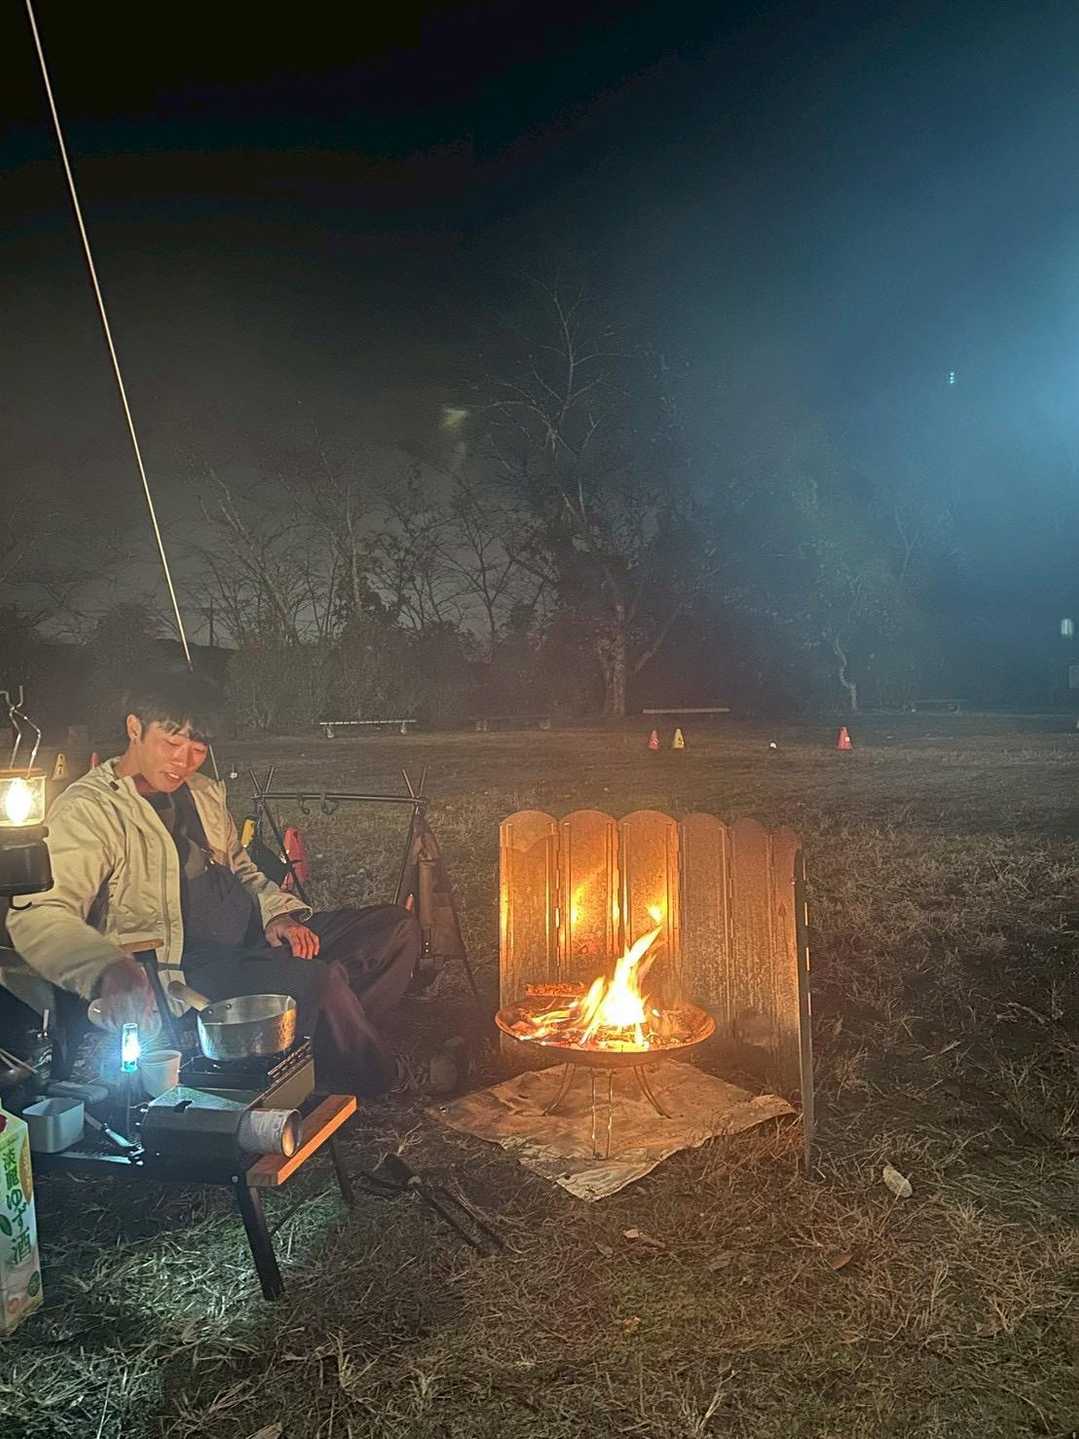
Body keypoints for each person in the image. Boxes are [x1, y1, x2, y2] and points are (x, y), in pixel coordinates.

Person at [6, 672, 420, 1095]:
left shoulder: (201, 792)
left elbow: (243, 870)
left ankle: (327, 1047)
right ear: (134, 728)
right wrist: (107, 968)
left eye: (198, 750)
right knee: (318, 981)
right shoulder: (90, 811)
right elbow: (39, 914)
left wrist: (278, 915)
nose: (183, 762)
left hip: (254, 938)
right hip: (187, 966)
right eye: (172, 743)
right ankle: (379, 1074)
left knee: (394, 929)